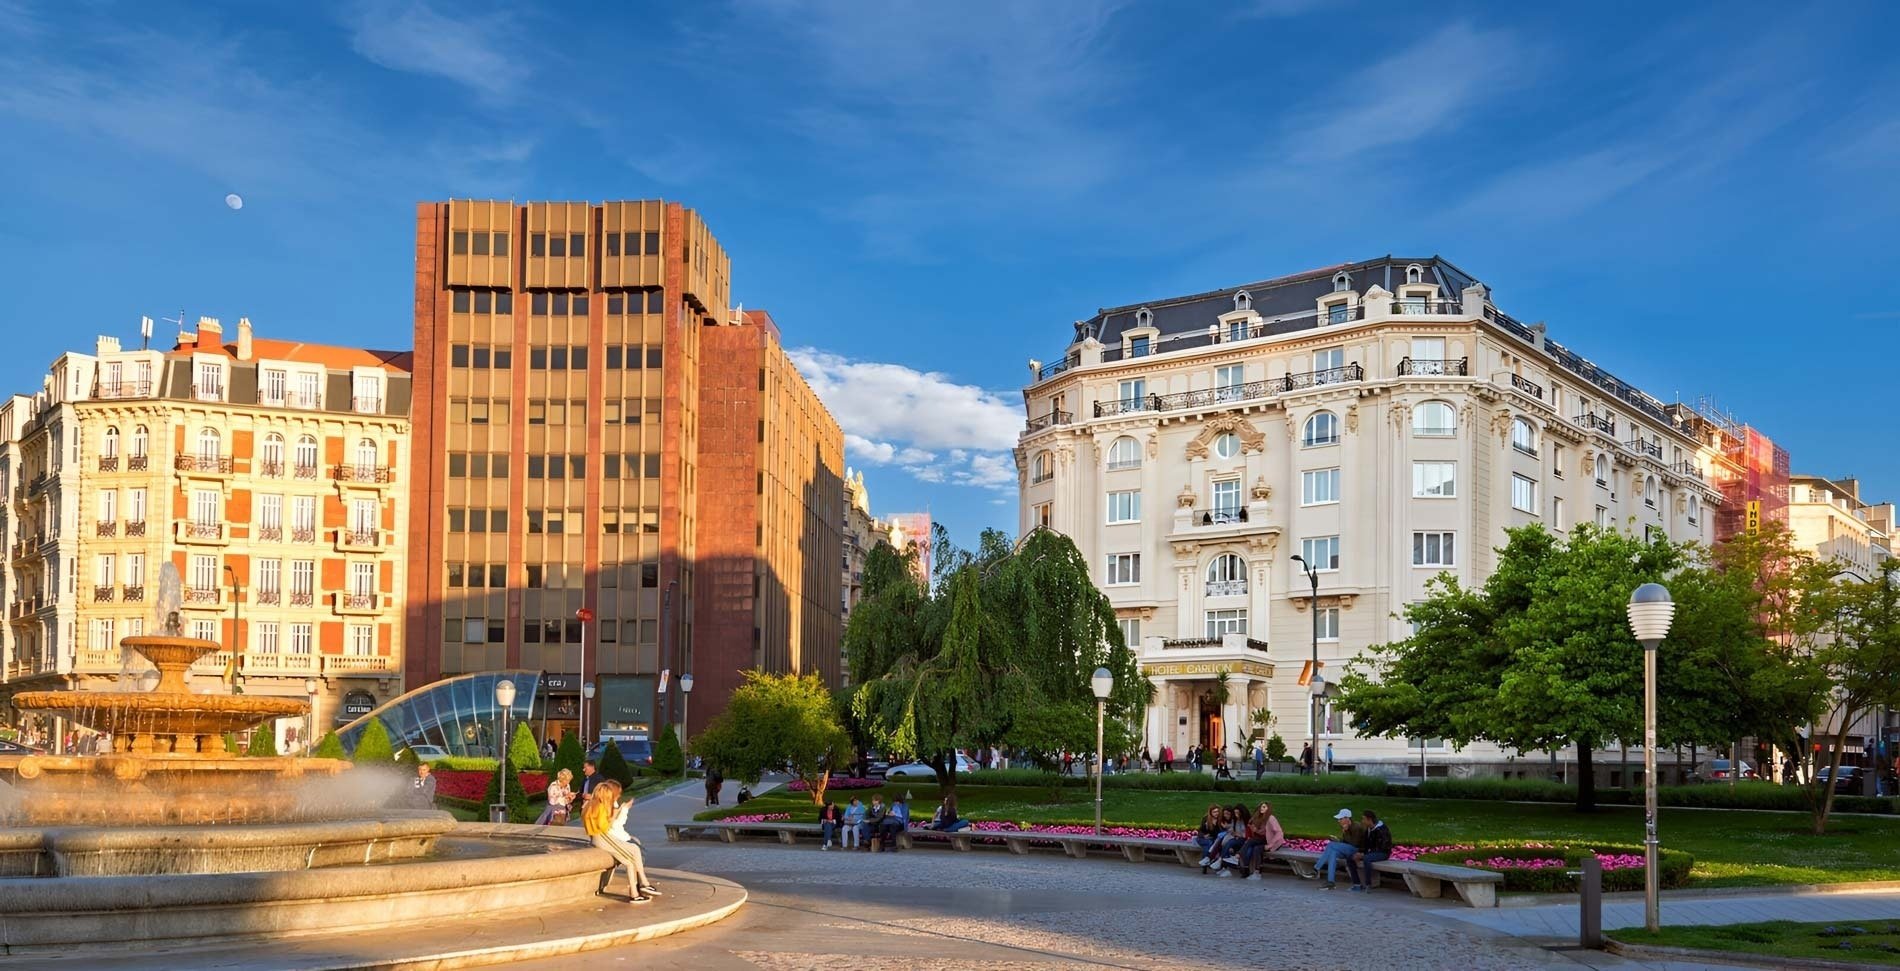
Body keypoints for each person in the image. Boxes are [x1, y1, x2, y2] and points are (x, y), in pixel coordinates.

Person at [581, 780, 657, 904]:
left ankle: (635, 893)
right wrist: (615, 815)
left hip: (596, 837)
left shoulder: (589, 806)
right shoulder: (599, 807)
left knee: (629, 861)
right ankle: (643, 883)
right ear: (605, 795)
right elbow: (604, 827)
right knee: (634, 850)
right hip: (603, 837)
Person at [1311, 808, 1365, 890]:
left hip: (1357, 851)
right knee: (1333, 853)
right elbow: (1346, 843)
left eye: (1340, 819)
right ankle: (1331, 882)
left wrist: (1346, 832)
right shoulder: (1346, 827)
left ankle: (1316, 869)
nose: (1338, 821)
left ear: (1347, 818)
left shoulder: (1356, 827)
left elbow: (1355, 844)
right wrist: (1339, 840)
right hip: (1349, 849)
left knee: (1331, 845)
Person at [1237, 801, 1287, 879]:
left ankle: (1256, 872)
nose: (1261, 808)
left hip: (1274, 843)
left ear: (1268, 808)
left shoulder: (1271, 818)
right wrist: (1255, 830)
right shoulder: (1261, 818)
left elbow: (1279, 833)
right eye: (1261, 807)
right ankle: (1242, 858)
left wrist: (1270, 845)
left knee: (1255, 846)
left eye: (1264, 807)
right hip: (1266, 840)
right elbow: (1264, 833)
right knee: (1253, 844)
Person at [1350, 810, 1392, 892]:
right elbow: (1365, 845)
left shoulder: (1382, 830)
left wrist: (1364, 854)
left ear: (1369, 820)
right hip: (1371, 852)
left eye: (1363, 819)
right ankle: (1357, 884)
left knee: (1366, 858)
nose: (1362, 821)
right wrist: (1360, 852)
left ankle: (1368, 884)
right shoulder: (1368, 829)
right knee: (1350, 858)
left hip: (1382, 853)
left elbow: (1383, 847)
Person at [1193, 804, 1223, 871]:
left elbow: (1218, 833)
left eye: (1217, 811)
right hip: (1202, 838)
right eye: (1214, 812)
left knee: (1208, 845)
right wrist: (1204, 835)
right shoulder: (1206, 819)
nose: (1216, 814)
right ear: (1211, 813)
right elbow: (1200, 831)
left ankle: (1205, 863)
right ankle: (1207, 862)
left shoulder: (1220, 820)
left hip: (1212, 839)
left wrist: (1215, 825)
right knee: (1209, 843)